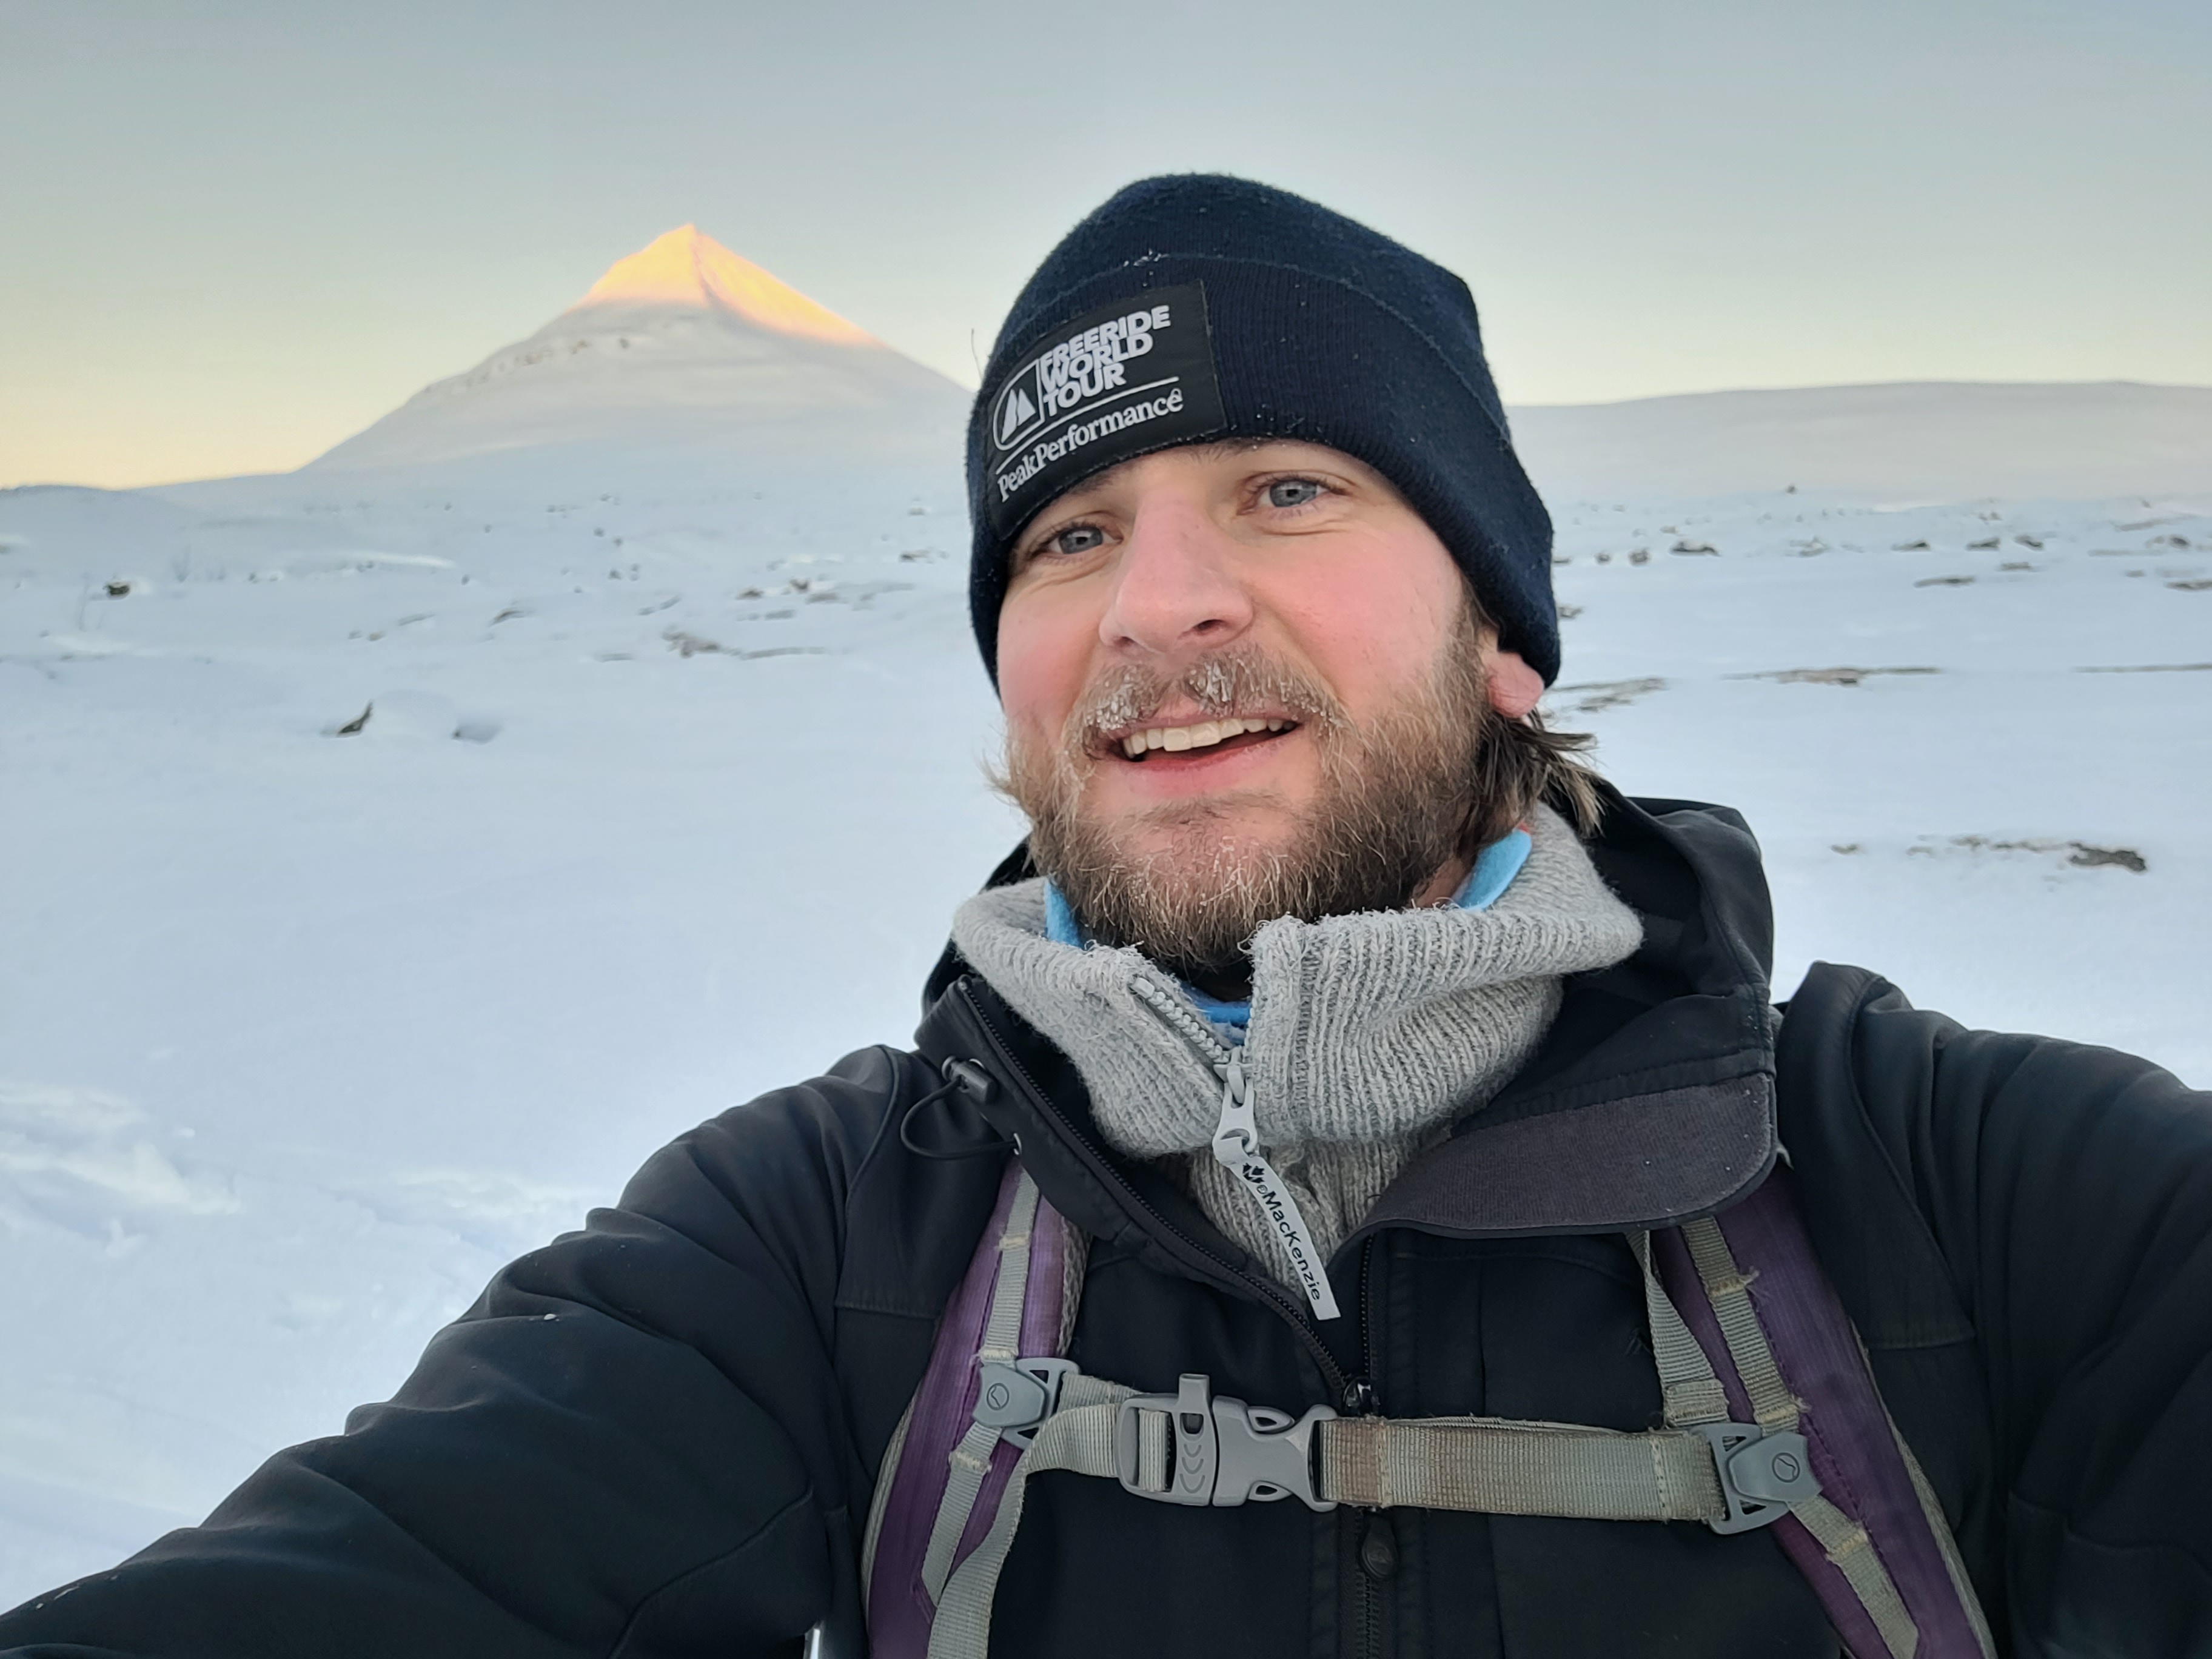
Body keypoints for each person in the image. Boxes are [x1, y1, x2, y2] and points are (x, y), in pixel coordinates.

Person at [4, 174, 2207, 1659]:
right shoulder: (822, 1242)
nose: (1159, 606)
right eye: (1066, 536)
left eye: (1287, 489)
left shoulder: (1990, 1204)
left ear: (1507, 643)